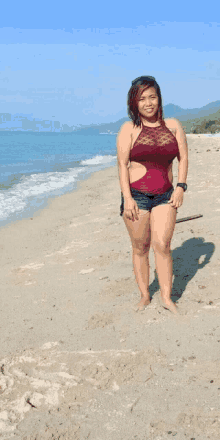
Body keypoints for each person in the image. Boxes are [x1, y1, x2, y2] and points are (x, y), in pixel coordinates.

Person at [117, 76, 188, 314]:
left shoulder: (174, 125)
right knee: (140, 247)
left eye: (152, 97)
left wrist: (181, 186)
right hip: (136, 196)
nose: (148, 103)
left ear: (159, 99)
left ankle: (166, 298)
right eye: (142, 98)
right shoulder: (129, 129)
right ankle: (145, 295)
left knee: (163, 245)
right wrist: (127, 198)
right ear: (134, 103)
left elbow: (183, 158)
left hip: (165, 195)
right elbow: (122, 164)